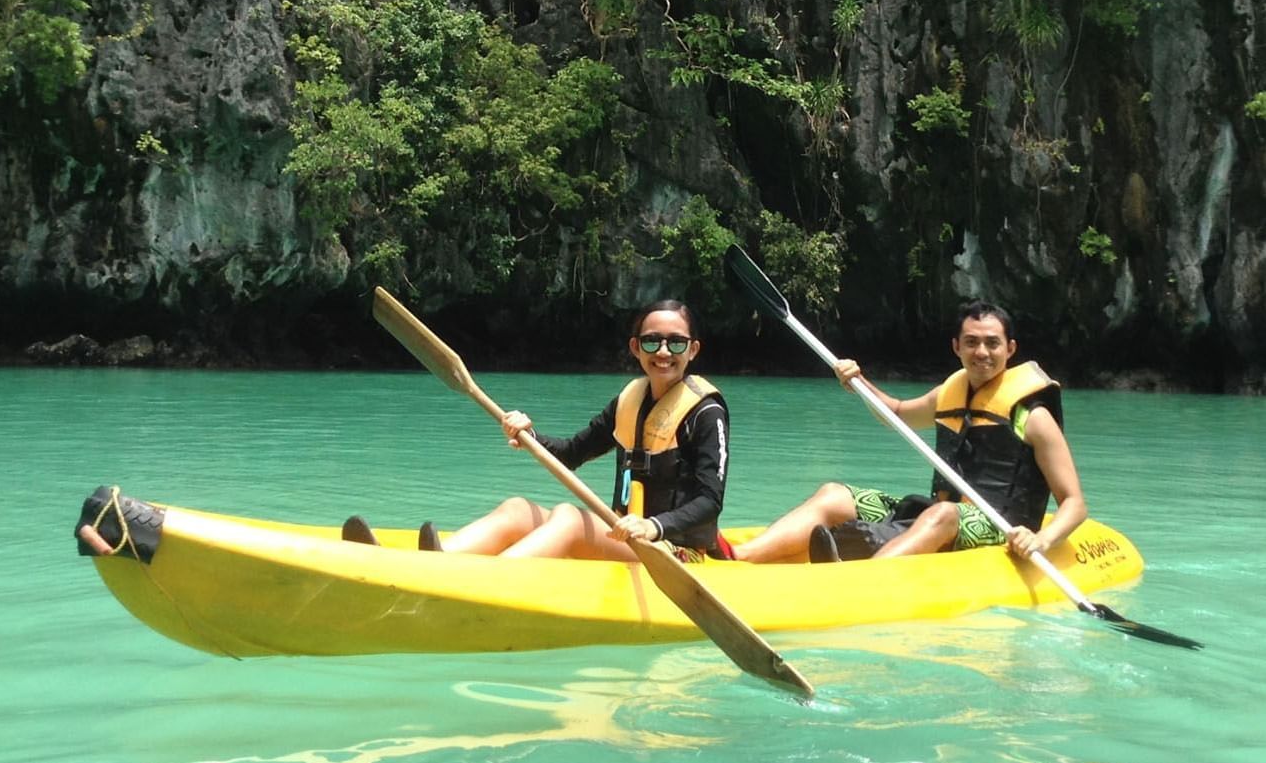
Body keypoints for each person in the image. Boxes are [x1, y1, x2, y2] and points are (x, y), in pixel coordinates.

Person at [345, 299, 731, 560]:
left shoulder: (705, 412)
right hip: (626, 538)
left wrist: (653, 525)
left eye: (676, 343)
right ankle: (439, 561)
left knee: (568, 517)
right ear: (636, 347)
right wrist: (529, 434)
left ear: (692, 350)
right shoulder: (630, 400)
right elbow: (570, 454)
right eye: (652, 341)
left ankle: (477, 580)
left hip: (676, 552)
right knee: (516, 509)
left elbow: (709, 501)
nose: (663, 352)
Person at [732, 301, 1086, 565]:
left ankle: (863, 578)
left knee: (942, 515)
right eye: (972, 342)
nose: (982, 352)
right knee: (833, 494)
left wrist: (1042, 539)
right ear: (956, 347)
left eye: (992, 343)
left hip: (1000, 525)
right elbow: (896, 414)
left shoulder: (1032, 416)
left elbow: (1074, 503)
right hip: (939, 512)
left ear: (1010, 349)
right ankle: (739, 557)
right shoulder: (949, 393)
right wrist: (859, 383)